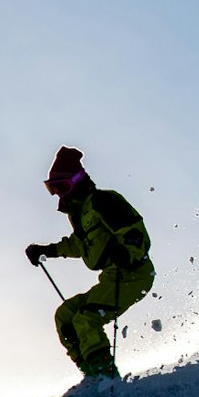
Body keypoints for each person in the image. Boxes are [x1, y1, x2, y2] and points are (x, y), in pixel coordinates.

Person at [25, 147, 153, 382]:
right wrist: (47, 251)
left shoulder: (103, 201)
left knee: (86, 319)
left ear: (76, 181)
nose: (57, 194)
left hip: (133, 274)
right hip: (112, 277)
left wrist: (129, 253)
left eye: (60, 187)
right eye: (51, 188)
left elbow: (134, 230)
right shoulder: (81, 214)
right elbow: (79, 245)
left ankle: (105, 379)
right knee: (66, 317)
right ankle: (93, 376)